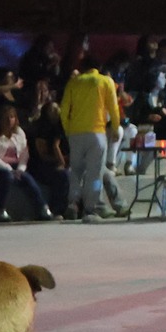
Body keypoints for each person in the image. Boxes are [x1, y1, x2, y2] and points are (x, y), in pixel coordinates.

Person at [59, 50, 122, 221]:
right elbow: (113, 107)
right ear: (99, 67)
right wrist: (116, 127)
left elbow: (64, 110)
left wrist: (68, 130)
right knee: (95, 173)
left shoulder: (73, 82)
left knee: (76, 172)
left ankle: (72, 204)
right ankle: (91, 208)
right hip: (97, 133)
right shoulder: (105, 81)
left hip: (75, 133)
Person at [0, 101, 55, 223]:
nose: (10, 120)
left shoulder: (19, 133)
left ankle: (43, 208)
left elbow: (24, 154)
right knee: (7, 177)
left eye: (12, 117)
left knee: (27, 179)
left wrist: (20, 169)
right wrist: (8, 169)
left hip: (17, 166)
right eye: (7, 118)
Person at [22, 81, 70, 218]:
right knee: (61, 175)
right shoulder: (40, 131)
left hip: (58, 162)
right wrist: (61, 162)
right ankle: (56, 210)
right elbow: (43, 156)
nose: (56, 113)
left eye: (57, 110)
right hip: (40, 165)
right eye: (52, 110)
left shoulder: (62, 128)